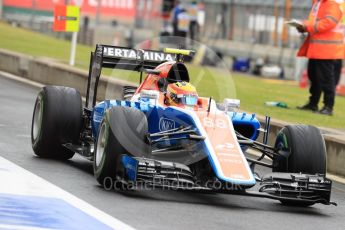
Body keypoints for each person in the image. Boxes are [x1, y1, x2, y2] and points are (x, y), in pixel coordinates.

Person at [296, 0, 345, 116]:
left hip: (327, 48)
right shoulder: (319, 3)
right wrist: (304, 26)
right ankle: (313, 103)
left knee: (327, 79)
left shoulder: (332, 3)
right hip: (317, 47)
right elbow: (316, 21)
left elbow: (329, 22)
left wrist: (307, 26)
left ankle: (328, 106)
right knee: (314, 76)